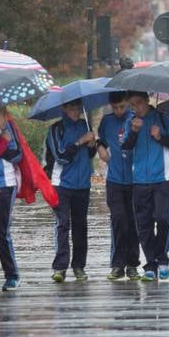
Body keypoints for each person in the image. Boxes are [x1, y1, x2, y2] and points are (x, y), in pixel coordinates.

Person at [122, 91, 169, 281]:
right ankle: (150, 264)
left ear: (147, 101)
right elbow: (125, 147)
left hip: (162, 178)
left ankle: (162, 259)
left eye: (138, 103)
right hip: (139, 180)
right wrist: (133, 132)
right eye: (132, 105)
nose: (136, 108)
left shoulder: (163, 119)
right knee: (144, 224)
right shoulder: (131, 122)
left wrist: (160, 136)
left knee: (163, 218)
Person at [46, 99, 96, 282]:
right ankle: (60, 267)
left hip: (83, 184)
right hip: (62, 184)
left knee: (80, 227)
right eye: (72, 109)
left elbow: (90, 155)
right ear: (64, 109)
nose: (76, 112)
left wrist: (92, 146)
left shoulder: (85, 125)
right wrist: (80, 141)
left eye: (78, 108)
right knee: (62, 224)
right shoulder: (56, 129)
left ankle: (79, 266)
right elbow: (60, 156)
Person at [97, 92, 140, 280]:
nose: (118, 111)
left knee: (133, 222)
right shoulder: (107, 122)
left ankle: (132, 264)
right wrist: (100, 148)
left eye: (122, 107)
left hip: (135, 179)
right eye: (114, 108)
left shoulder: (136, 121)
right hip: (114, 179)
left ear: (128, 104)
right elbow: (102, 141)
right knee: (118, 220)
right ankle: (117, 264)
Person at [0, 107, 23, 292]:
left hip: (4, 184)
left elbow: (18, 154)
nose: (5, 116)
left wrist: (1, 143)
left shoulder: (7, 126)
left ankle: (12, 275)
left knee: (0, 232)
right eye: (2, 114)